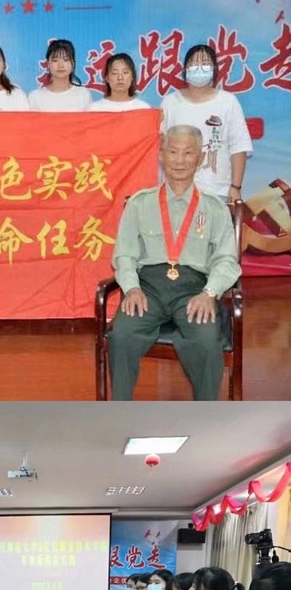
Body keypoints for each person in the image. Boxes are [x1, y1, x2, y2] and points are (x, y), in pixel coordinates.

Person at [107, 124, 241, 401]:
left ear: (200, 159)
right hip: (148, 290)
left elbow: (226, 259)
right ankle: (120, 411)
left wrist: (210, 293)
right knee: (122, 336)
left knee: (206, 342)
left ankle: (206, 414)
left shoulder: (214, 207)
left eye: (188, 153)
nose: (179, 160)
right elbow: (125, 255)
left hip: (195, 290)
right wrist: (131, 289)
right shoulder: (140, 203)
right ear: (162, 155)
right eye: (173, 152)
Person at [161, 44, 252, 202]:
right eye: (194, 63)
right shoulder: (170, 103)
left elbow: (239, 147)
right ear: (185, 69)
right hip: (176, 191)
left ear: (214, 69)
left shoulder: (228, 102)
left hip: (217, 190)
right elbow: (159, 146)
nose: (199, 68)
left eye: (205, 63)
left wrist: (236, 187)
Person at [28, 39, 91, 111]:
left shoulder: (83, 94)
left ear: (73, 63)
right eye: (55, 60)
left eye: (66, 59)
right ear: (48, 64)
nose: (60, 65)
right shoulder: (35, 97)